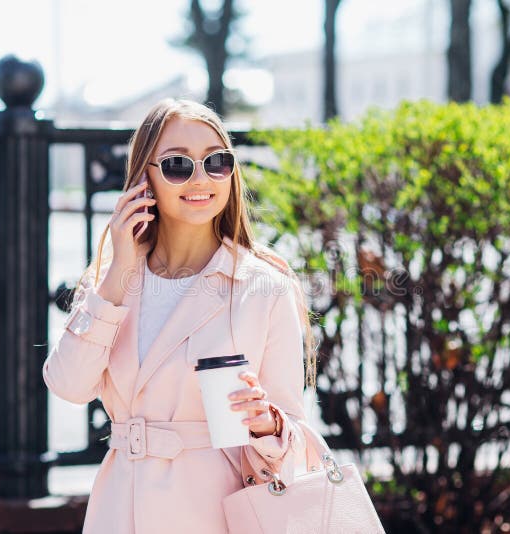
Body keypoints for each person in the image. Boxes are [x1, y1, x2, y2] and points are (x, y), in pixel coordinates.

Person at [42, 98, 317, 533]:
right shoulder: (111, 280)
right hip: (119, 510)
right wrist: (116, 274)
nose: (200, 179)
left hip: (214, 512)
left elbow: (297, 440)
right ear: (143, 179)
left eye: (216, 162)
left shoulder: (263, 287)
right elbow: (68, 385)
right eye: (176, 165)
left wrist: (268, 423)